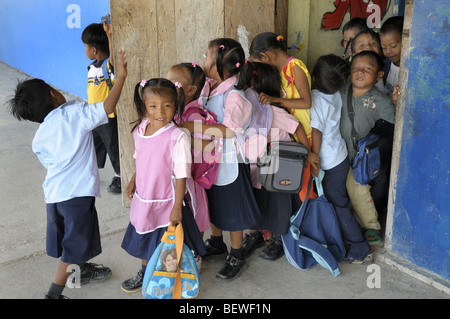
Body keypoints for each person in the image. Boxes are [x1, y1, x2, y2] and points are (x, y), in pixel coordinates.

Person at [7, 50, 128, 299]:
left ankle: (79, 272)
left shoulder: (40, 136)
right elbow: (107, 107)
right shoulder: (75, 115)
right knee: (72, 247)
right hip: (76, 195)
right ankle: (53, 294)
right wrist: (122, 77)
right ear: (54, 93)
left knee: (72, 237)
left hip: (54, 195)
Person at [183, 38, 260, 281]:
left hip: (229, 164)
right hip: (210, 161)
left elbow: (229, 131)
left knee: (232, 209)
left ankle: (237, 253)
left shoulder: (235, 96)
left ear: (219, 64)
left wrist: (191, 126)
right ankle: (217, 242)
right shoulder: (210, 87)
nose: (204, 60)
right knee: (213, 202)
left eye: (207, 57)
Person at [120, 78, 206, 293]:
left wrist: (177, 207)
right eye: (153, 106)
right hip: (144, 199)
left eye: (167, 106)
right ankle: (145, 273)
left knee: (165, 247)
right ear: (144, 107)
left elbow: (181, 176)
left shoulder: (177, 137)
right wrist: (133, 180)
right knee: (143, 240)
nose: (160, 112)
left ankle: (164, 282)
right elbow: (140, 157)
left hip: (167, 202)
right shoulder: (141, 128)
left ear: (175, 105)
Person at [241, 61, 320, 260]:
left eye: (248, 86)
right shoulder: (250, 111)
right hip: (258, 168)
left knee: (277, 206)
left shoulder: (273, 111)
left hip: (279, 170)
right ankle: (255, 235)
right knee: (256, 203)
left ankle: (278, 239)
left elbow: (297, 128)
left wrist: (306, 152)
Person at [310, 54, 374, 263]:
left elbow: (316, 133)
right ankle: (345, 239)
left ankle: (359, 247)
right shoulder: (336, 93)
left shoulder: (317, 100)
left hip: (329, 160)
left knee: (339, 204)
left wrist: (315, 159)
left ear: (312, 75)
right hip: (340, 155)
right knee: (339, 202)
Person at [249, 32, 315, 202]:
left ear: (265, 56)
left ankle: (311, 217)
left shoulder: (295, 67)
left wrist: (275, 101)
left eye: (258, 64)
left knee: (304, 184)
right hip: (290, 131)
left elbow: (306, 102)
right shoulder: (279, 71)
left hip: (303, 133)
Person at [340, 50, 396, 245]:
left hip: (359, 158)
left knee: (358, 190)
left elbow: (394, 126)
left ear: (379, 75)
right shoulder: (341, 91)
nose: (359, 72)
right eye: (355, 68)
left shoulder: (381, 101)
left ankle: (371, 225)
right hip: (336, 153)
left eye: (367, 69)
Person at [82, 18, 121, 194]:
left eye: (85, 46)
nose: (85, 50)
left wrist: (109, 36)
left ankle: (120, 175)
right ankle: (93, 172)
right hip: (93, 115)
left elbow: (112, 59)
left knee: (113, 146)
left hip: (107, 116)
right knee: (94, 145)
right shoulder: (91, 67)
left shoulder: (107, 65)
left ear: (94, 49)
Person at [379, 16, 404, 97]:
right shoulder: (385, 66)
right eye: (384, 47)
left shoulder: (412, 71)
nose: (388, 51)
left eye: (393, 46)